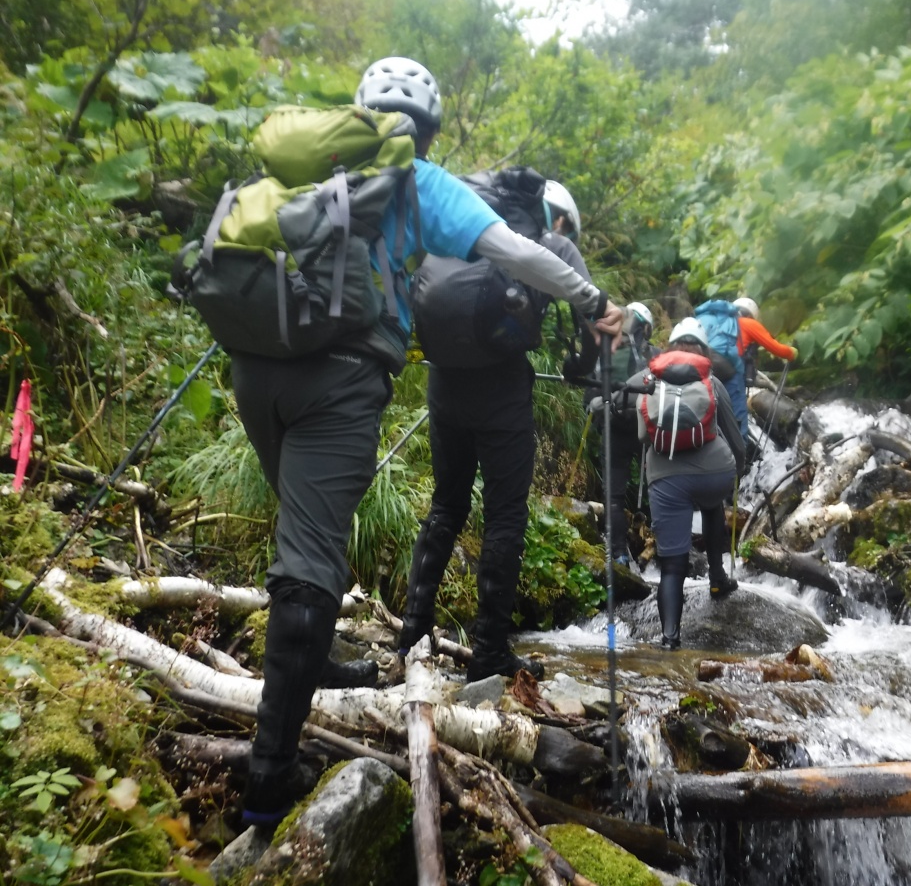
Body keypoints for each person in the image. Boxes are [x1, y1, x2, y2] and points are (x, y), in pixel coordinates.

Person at [236, 56, 622, 829]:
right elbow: (521, 255)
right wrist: (593, 300)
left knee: (308, 537)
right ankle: (267, 782)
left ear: (357, 112)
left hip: (254, 360)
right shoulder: (420, 181)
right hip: (341, 377)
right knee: (312, 559)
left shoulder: (306, 164)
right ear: (429, 131)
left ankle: (333, 656)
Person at [397, 168, 620, 686]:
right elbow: (595, 332)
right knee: (504, 516)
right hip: (500, 388)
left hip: (444, 381)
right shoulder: (553, 245)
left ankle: (411, 636)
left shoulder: (459, 226)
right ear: (558, 217)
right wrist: (579, 370)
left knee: (446, 505)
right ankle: (490, 652)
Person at [628, 317, 746, 649]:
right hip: (715, 474)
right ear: (703, 350)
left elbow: (641, 433)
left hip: (666, 478)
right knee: (712, 505)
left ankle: (670, 639)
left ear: (670, 347)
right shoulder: (711, 381)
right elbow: (735, 437)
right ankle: (717, 577)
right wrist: (738, 469)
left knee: (672, 565)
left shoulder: (649, 378)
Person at [589, 301, 660, 566]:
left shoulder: (605, 352)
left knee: (614, 496)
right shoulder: (656, 355)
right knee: (660, 487)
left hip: (614, 427)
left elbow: (591, 394)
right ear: (646, 328)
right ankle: (666, 551)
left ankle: (619, 553)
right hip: (647, 428)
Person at [694, 296, 797, 441]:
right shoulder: (748, 323)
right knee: (737, 415)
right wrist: (791, 353)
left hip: (699, 368)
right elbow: (775, 347)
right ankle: (740, 450)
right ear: (751, 314)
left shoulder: (709, 321)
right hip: (729, 372)